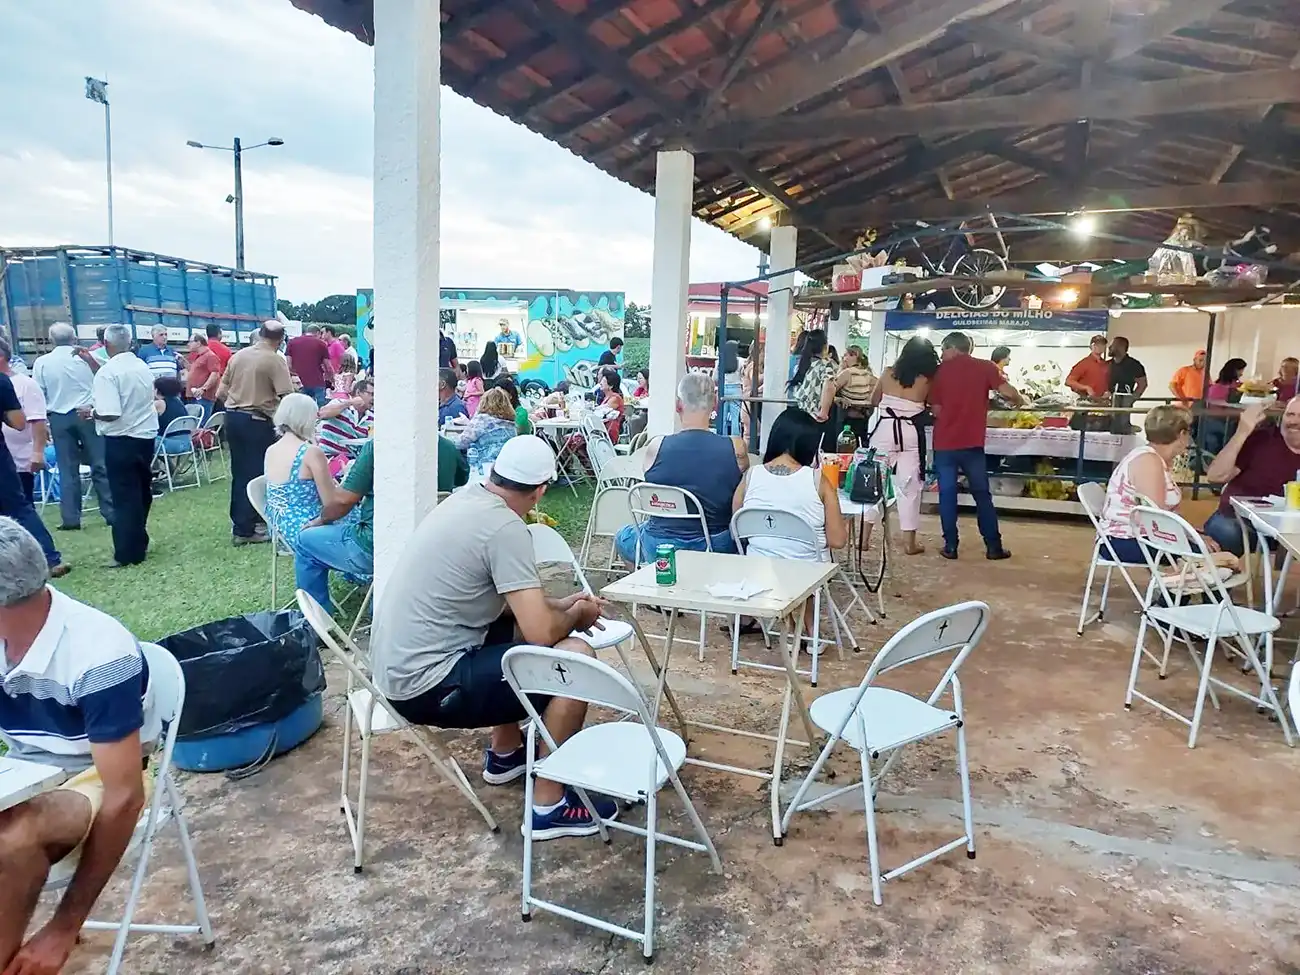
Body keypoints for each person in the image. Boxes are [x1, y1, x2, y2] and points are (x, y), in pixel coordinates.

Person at [370, 437, 617, 839]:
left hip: (396, 673)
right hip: (429, 687)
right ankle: (549, 804)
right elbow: (539, 633)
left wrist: (556, 606)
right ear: (540, 491)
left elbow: (512, 608)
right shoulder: (506, 528)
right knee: (576, 659)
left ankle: (506, 754)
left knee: (505, 627)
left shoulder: (465, 500)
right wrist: (577, 615)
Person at [0, 518, 160, 974]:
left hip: (91, 774)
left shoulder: (98, 652)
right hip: (24, 769)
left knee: (14, 837)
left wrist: (63, 927)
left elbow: (125, 795)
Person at [614, 372, 748, 562]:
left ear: (678, 405)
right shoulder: (736, 448)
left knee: (622, 537)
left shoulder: (656, 447)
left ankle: (648, 582)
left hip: (658, 544)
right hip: (714, 544)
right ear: (715, 404)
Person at [929, 331, 1023, 561]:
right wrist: (1019, 401)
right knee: (982, 494)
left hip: (945, 443)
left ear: (952, 348)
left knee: (948, 494)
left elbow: (937, 410)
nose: (942, 354)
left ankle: (950, 546)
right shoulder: (985, 367)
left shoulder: (939, 372)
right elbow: (1009, 393)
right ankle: (993, 547)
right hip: (972, 443)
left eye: (943, 349)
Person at [734, 407, 847, 563]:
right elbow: (838, 540)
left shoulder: (751, 476)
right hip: (807, 577)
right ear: (809, 446)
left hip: (757, 572)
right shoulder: (818, 481)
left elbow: (737, 526)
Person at [216, 321, 293, 547]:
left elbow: (221, 392)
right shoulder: (274, 360)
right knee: (256, 473)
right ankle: (247, 528)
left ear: (260, 334)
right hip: (257, 421)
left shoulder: (238, 356)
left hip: (233, 418)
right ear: (280, 340)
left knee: (240, 472)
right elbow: (286, 397)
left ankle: (243, 522)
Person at [32, 322, 114, 531]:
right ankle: (110, 511)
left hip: (59, 417)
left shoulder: (42, 362)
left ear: (51, 340)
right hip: (87, 414)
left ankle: (71, 518)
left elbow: (39, 393)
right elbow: (107, 373)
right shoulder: (88, 357)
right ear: (74, 338)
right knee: (100, 463)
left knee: (67, 468)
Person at [93, 324, 160, 567]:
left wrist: (91, 412)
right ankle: (138, 539)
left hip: (121, 437)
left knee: (123, 496)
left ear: (106, 345)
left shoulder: (108, 373)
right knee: (142, 491)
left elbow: (110, 413)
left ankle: (127, 551)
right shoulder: (141, 366)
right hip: (144, 436)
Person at [868, 336, 940, 556]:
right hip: (910, 433)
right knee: (910, 487)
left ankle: (863, 538)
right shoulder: (928, 379)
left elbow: (873, 400)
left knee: (870, 483)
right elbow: (935, 410)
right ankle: (909, 543)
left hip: (884, 430)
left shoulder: (888, 372)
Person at [1097, 406, 1194, 563]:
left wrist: (1191, 534)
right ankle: (1175, 585)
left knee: (1211, 555)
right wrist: (1192, 537)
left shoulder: (1152, 457)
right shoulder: (1149, 461)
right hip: (1125, 540)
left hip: (1134, 536)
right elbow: (1157, 517)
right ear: (1182, 434)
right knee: (1210, 558)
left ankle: (1175, 584)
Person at [1204, 399, 1300, 554]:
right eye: (1290, 414)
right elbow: (1216, 476)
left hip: (1290, 528)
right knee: (1228, 532)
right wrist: (1243, 431)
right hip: (1241, 522)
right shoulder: (1262, 439)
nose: (1294, 421)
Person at [294, 438, 375, 615]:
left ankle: (317, 622)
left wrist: (319, 521)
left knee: (304, 541)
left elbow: (342, 501)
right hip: (424, 546)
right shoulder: (447, 447)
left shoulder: (376, 447)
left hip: (372, 547)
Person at [264, 393, 341, 554]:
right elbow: (331, 504)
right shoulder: (310, 452)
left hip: (279, 529)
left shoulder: (271, 450)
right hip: (308, 528)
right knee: (353, 514)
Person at [0, 336, 49, 506]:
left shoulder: (26, 385)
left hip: (19, 460)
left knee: (21, 505)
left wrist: (37, 453)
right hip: (4, 457)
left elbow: (38, 420)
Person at [787, 329, 838, 447]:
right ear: (825, 346)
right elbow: (829, 385)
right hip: (816, 416)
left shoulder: (804, 362)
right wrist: (824, 412)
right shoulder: (827, 364)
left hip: (801, 414)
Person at [317, 379, 374, 478]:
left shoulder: (372, 419)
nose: (374, 398)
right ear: (358, 393)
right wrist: (350, 402)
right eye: (371, 394)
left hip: (352, 462)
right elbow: (322, 414)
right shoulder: (339, 404)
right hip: (328, 457)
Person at [455, 387, 516, 472]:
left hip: (483, 467)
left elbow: (461, 443)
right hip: (505, 468)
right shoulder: (511, 424)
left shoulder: (482, 420)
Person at [833, 344, 876, 446]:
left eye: (845, 355)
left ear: (854, 355)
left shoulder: (847, 373)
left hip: (847, 418)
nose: (844, 359)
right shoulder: (868, 374)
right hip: (863, 417)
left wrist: (836, 399)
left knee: (844, 447)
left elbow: (830, 389)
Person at [285, 324, 334, 407]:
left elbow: (288, 364)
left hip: (299, 382)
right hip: (317, 381)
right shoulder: (321, 344)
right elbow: (328, 367)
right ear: (318, 333)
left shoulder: (292, 342)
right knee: (320, 409)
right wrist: (332, 380)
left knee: (301, 408)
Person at [184, 333, 223, 419]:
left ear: (198, 343)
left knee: (201, 423)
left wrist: (203, 389)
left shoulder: (210, 356)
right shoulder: (200, 357)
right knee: (195, 423)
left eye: (190, 342)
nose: (188, 344)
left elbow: (215, 374)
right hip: (196, 396)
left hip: (203, 397)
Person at [1066, 335, 1110, 399]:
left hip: (1103, 402)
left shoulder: (1106, 364)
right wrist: (1086, 387)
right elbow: (1069, 381)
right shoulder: (1084, 363)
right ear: (1091, 346)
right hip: (1086, 402)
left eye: (1102, 344)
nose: (1099, 347)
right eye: (1096, 344)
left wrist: (1108, 391)